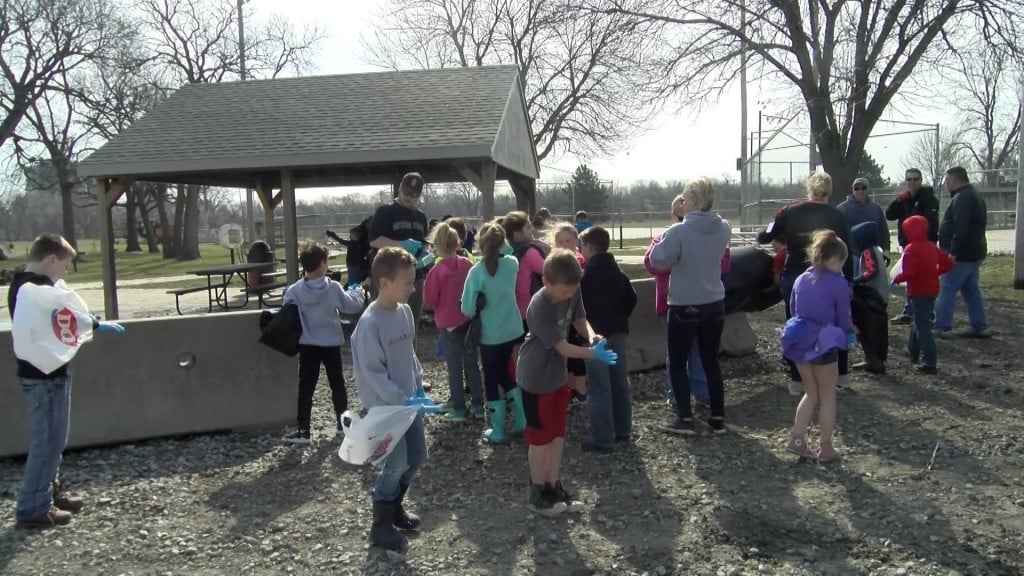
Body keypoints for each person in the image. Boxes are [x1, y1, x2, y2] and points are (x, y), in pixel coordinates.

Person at [9, 233, 126, 528]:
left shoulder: (24, 283)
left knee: (54, 441)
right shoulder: (33, 290)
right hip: (44, 379)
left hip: (45, 376)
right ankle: (33, 506)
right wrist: (95, 323)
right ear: (51, 260)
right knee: (47, 442)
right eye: (63, 265)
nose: (64, 273)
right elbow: (66, 313)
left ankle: (48, 492)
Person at [517, 249, 617, 516]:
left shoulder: (573, 288)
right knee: (540, 438)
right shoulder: (539, 305)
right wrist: (593, 354)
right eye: (564, 292)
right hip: (535, 377)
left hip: (558, 376)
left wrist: (594, 337)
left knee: (558, 434)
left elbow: (580, 320)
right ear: (547, 282)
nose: (569, 296)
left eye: (573, 291)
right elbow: (562, 347)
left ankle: (553, 485)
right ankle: (537, 492)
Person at [351, 247, 428, 552]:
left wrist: (418, 389)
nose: (413, 288)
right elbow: (373, 374)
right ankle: (380, 525)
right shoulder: (369, 324)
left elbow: (409, 357)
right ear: (384, 283)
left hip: (410, 404)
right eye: (407, 282)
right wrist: (401, 399)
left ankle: (395, 506)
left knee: (417, 456)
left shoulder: (405, 312)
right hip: (386, 411)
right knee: (395, 464)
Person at [758, 171, 853, 395]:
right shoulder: (837, 215)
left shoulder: (789, 211)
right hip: (829, 276)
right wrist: (847, 281)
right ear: (829, 191)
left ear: (808, 189)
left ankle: (797, 380)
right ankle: (840, 375)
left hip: (796, 276)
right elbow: (847, 248)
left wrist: (777, 231)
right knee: (835, 324)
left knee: (797, 326)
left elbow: (765, 236)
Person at [650, 177, 731, 436]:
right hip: (714, 302)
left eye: (684, 199)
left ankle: (684, 419)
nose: (681, 203)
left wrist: (664, 240)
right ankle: (718, 418)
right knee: (710, 362)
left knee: (677, 362)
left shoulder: (678, 232)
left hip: (685, 303)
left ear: (694, 201)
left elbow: (658, 259)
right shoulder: (724, 228)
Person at [280, 241, 367, 445]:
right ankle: (342, 425)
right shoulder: (333, 288)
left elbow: (286, 311)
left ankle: (303, 430)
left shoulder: (295, 291)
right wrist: (359, 292)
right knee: (337, 383)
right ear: (322, 264)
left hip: (308, 343)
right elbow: (351, 306)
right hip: (331, 343)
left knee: (306, 387)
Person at [782, 230, 853, 462]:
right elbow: (843, 317)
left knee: (810, 392)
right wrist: (848, 335)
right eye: (842, 262)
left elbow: (793, 308)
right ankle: (826, 447)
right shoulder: (839, 284)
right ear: (834, 260)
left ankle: (797, 439)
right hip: (822, 343)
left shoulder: (801, 278)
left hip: (799, 339)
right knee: (828, 396)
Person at [460, 223, 526, 444]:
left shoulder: (476, 272)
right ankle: (521, 419)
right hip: (513, 328)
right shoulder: (512, 264)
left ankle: (497, 430)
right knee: (506, 373)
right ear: (502, 242)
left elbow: (467, 309)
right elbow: (507, 252)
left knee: (491, 378)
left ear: (480, 244)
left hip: (490, 334)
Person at [579, 226, 637, 452]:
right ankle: (623, 429)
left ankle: (602, 436)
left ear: (591, 247)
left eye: (582, 246)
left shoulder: (587, 277)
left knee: (599, 386)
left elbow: (581, 309)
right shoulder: (619, 274)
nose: (580, 250)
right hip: (619, 332)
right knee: (619, 381)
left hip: (597, 338)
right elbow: (631, 300)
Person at [423, 222, 483, 422]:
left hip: (448, 323)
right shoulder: (467, 264)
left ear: (437, 245)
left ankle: (459, 409)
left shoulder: (436, 271)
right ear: (458, 243)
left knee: (454, 369)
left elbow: (430, 300)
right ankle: (478, 406)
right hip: (468, 319)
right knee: (472, 365)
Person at [892, 215, 955, 374]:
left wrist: (897, 278)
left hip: (918, 290)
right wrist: (935, 272)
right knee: (920, 319)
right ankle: (912, 350)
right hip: (932, 289)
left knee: (923, 327)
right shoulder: (931, 246)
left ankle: (930, 361)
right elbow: (948, 264)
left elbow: (909, 273)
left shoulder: (910, 249)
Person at [368, 172, 430, 329]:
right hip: (390, 276)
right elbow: (374, 240)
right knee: (384, 322)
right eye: (406, 192)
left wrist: (426, 254)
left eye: (414, 195)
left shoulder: (421, 217)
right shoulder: (385, 211)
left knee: (411, 325)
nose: (409, 197)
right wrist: (400, 245)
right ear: (400, 188)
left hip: (415, 277)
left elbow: (424, 242)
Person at [934, 167, 991, 339]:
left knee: (947, 287)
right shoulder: (973, 195)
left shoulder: (963, 198)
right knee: (970, 289)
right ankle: (980, 325)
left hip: (962, 254)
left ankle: (942, 326)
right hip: (974, 252)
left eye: (947, 181)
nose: (946, 185)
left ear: (954, 180)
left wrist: (953, 252)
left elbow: (961, 227)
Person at [886, 168, 940, 324]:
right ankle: (909, 311)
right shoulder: (905, 199)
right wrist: (898, 200)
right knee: (910, 278)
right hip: (907, 245)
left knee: (923, 278)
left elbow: (932, 224)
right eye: (908, 179)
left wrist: (927, 244)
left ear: (920, 180)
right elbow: (889, 215)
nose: (911, 182)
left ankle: (928, 313)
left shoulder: (928, 199)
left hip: (924, 246)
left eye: (915, 179)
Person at [549, 222, 589, 406]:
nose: (565, 244)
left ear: (576, 241)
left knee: (576, 353)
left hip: (576, 314)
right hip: (560, 318)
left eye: (568, 240)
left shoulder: (579, 261)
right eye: (561, 241)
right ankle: (570, 390)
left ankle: (580, 391)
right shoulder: (552, 265)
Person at [849, 222, 890, 375]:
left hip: (872, 296)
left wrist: (854, 281)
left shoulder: (867, 252)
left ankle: (873, 360)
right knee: (878, 330)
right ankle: (876, 359)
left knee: (867, 329)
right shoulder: (877, 250)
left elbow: (871, 271)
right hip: (881, 295)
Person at [837, 177, 890, 253]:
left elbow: (884, 232)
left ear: (868, 190)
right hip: (851, 253)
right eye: (857, 188)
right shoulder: (842, 209)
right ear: (852, 190)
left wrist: (886, 251)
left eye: (863, 188)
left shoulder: (876, 209)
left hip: (873, 251)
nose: (860, 191)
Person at [327, 218, 371, 287]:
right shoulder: (361, 244)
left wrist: (334, 236)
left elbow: (342, 241)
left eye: (351, 235)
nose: (350, 236)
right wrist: (334, 236)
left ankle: (351, 294)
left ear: (356, 236)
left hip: (353, 265)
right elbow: (342, 241)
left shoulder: (355, 244)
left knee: (353, 282)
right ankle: (352, 293)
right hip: (355, 265)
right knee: (354, 282)